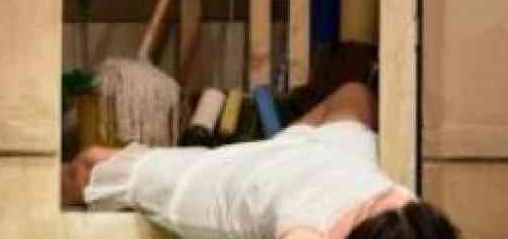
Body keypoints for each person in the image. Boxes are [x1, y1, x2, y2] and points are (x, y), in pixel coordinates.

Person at [61, 83, 460, 239]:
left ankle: (278, 147)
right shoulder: (417, 226)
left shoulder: (418, 222)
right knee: (91, 168)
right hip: (315, 161)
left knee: (352, 96)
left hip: (289, 172)